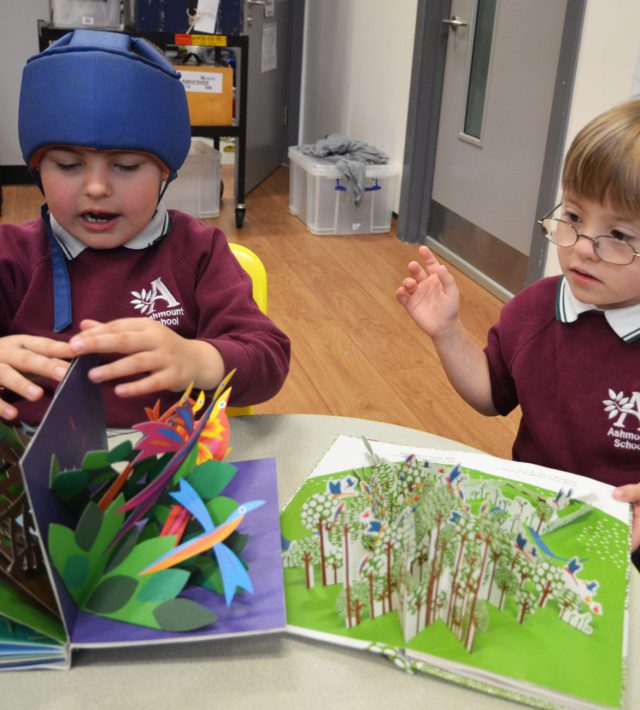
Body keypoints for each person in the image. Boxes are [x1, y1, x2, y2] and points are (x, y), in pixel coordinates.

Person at [0, 29, 290, 428]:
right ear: (36, 169)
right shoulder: (10, 256)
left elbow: (268, 358)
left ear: (165, 171)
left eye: (127, 166)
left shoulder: (199, 253)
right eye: (68, 165)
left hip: (169, 472)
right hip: (29, 475)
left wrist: (199, 359)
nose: (97, 188)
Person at [396, 98, 640, 568]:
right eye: (573, 217)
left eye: (620, 236)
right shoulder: (533, 311)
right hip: (535, 529)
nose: (583, 248)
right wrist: (447, 332)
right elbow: (491, 394)